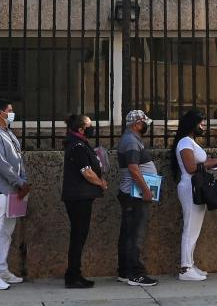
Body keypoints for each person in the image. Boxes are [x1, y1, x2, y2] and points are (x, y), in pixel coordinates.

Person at [171, 109, 217, 281]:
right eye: (200, 123)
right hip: (189, 187)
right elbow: (191, 168)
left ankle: (190, 264)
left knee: (194, 228)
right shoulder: (185, 142)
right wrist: (211, 162)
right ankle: (185, 268)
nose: (203, 126)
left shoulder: (190, 141)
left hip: (195, 187)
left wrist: (209, 165)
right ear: (192, 124)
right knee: (190, 227)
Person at [0, 99, 29, 290]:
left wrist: (22, 181)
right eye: (9, 110)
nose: (12, 113)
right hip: (1, 191)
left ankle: (2, 268)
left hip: (13, 191)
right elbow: (2, 164)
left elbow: (18, 159)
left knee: (6, 233)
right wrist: (19, 182)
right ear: (0, 113)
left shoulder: (7, 132)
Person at [62, 114, 107, 289]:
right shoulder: (78, 146)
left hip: (80, 196)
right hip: (78, 197)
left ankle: (75, 273)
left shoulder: (78, 143)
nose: (91, 128)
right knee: (78, 236)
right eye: (89, 125)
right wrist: (101, 183)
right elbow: (86, 172)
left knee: (79, 235)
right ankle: (73, 275)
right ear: (81, 129)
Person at [116, 110, 159, 287]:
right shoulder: (132, 141)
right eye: (144, 123)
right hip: (135, 194)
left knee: (128, 234)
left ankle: (125, 271)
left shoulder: (130, 139)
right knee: (135, 235)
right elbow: (134, 169)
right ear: (136, 124)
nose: (146, 126)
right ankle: (136, 274)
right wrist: (146, 190)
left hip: (132, 194)